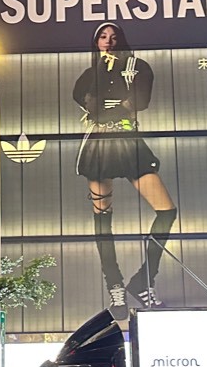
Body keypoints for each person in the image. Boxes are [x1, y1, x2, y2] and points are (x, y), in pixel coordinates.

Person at [72, 22, 178, 315]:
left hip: (129, 143)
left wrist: (110, 107)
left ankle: (144, 280)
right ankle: (115, 287)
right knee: (103, 219)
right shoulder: (90, 74)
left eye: (114, 37)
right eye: (103, 37)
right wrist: (110, 105)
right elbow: (86, 102)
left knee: (166, 210)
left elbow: (138, 102)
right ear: (96, 43)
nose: (109, 41)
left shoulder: (138, 66)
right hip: (99, 146)